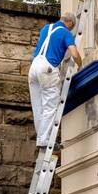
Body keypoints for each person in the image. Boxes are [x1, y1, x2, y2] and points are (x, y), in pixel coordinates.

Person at [28, 12, 82, 146]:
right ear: (69, 22)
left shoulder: (46, 28)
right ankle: (44, 140)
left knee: (38, 106)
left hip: (34, 67)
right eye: (72, 26)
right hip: (47, 68)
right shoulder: (65, 32)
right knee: (50, 106)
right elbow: (74, 53)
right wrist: (80, 65)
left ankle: (41, 137)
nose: (71, 29)